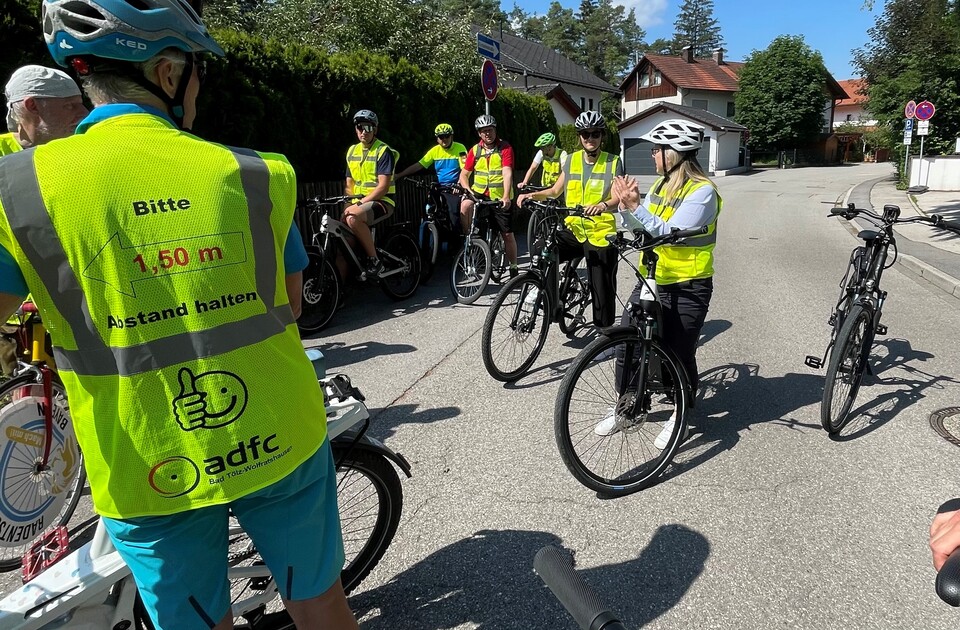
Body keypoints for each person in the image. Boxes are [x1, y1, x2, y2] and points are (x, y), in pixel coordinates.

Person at [0, 0, 358, 628]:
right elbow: (294, 305)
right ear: (167, 74)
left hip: (146, 462)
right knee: (321, 607)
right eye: (197, 72)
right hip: (277, 435)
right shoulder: (258, 173)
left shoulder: (19, 189)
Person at [594, 119, 721, 445]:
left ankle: (680, 413)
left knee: (678, 353)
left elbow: (668, 233)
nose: (652, 154)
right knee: (626, 344)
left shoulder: (703, 192)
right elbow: (641, 227)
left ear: (676, 153)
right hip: (651, 279)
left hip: (688, 286)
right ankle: (626, 407)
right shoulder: (661, 187)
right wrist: (624, 208)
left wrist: (636, 206)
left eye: (657, 149)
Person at [516, 111, 623, 328]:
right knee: (542, 248)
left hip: (600, 232)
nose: (590, 139)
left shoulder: (613, 162)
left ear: (602, 136)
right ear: (579, 137)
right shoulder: (572, 160)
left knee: (601, 287)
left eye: (595, 134)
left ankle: (605, 334)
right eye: (585, 134)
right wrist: (530, 195)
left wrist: (602, 206)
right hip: (574, 229)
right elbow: (555, 190)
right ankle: (544, 292)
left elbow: (618, 198)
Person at [459, 114, 519, 276]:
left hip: (500, 197)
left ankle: (513, 266)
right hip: (479, 194)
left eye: (490, 130)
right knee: (465, 205)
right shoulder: (475, 150)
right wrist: (468, 190)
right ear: (479, 133)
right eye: (484, 131)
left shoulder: (505, 148)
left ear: (495, 130)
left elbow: (507, 173)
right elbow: (464, 175)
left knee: (507, 235)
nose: (487, 134)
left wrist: (506, 195)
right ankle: (469, 239)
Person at [343, 109, 399, 280]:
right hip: (358, 203)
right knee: (341, 237)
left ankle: (374, 261)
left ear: (375, 129)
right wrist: (347, 204)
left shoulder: (383, 151)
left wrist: (358, 205)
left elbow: (382, 187)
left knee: (353, 217)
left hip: (383, 201)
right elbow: (349, 183)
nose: (363, 131)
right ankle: (340, 291)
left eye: (368, 127)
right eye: (360, 127)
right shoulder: (352, 151)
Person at [395, 122, 467, 230]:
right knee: (430, 211)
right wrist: (400, 175)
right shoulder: (434, 151)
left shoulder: (460, 148)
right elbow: (419, 165)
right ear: (437, 138)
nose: (444, 139)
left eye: (447, 136)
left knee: (454, 214)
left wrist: (459, 184)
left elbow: (465, 169)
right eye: (441, 137)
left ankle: (460, 241)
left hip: (454, 187)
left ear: (452, 136)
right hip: (440, 187)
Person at [2, 64, 87, 153]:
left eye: (81, 104)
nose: (85, 113)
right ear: (33, 106)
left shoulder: (85, 147)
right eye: (69, 106)